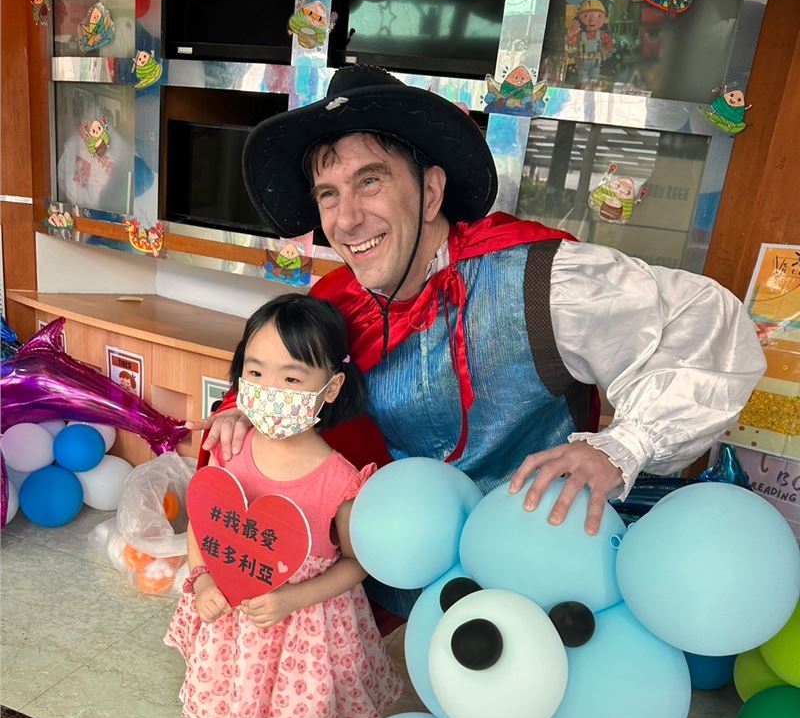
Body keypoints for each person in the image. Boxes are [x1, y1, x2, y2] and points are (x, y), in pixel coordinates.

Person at [191, 65, 765, 617]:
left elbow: (705, 324)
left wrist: (622, 446)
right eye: (328, 194)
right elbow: (286, 384)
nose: (346, 220)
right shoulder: (337, 303)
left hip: (544, 570)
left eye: (370, 181)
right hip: (411, 583)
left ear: (430, 191)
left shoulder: (539, 280)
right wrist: (247, 411)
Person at [166, 293, 403, 718]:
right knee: (218, 708)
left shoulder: (340, 479)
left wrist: (293, 600)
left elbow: (357, 564)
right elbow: (202, 518)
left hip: (299, 630)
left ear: (330, 387)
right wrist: (201, 578)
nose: (270, 389)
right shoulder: (228, 447)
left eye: (292, 377)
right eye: (255, 370)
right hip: (228, 617)